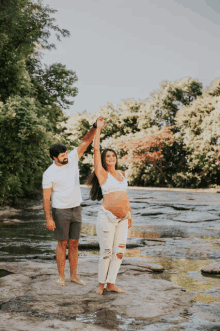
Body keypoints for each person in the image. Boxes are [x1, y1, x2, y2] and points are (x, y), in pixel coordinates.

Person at [42, 117, 104, 286]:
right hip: (60, 210)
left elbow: (86, 140)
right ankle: (61, 277)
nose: (65, 157)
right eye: (62, 156)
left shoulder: (72, 158)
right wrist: (48, 217)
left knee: (75, 243)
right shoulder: (49, 173)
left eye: (65, 154)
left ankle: (74, 275)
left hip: (76, 208)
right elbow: (46, 198)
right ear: (55, 158)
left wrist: (94, 127)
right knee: (62, 243)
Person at [87, 119, 133, 295]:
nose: (111, 158)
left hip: (124, 218)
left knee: (119, 252)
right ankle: (101, 285)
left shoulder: (121, 174)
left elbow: (125, 195)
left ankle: (111, 283)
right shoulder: (102, 173)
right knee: (106, 252)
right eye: (108, 156)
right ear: (104, 160)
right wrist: (98, 129)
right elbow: (96, 150)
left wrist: (130, 214)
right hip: (107, 217)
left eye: (113, 156)